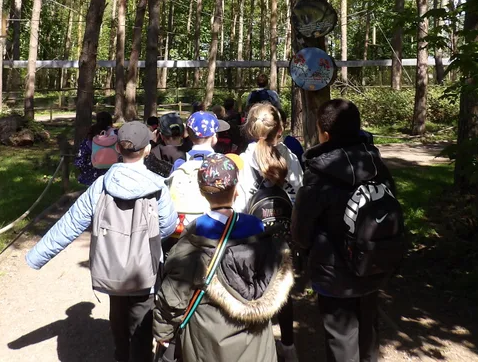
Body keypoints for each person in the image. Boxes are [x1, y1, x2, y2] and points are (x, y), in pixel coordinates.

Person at [26, 122, 178, 362]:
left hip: (110, 268)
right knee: (142, 321)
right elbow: (168, 225)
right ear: (148, 149)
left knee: (117, 314)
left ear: (118, 147)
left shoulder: (101, 185)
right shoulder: (158, 186)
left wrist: (37, 256)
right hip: (145, 271)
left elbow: (71, 223)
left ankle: (121, 354)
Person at [154, 153, 294, 362]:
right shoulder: (260, 233)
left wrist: (162, 332)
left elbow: (173, 296)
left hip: (208, 344)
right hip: (257, 346)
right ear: (236, 190)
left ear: (202, 191)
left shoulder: (194, 239)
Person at [291, 99, 396, 362]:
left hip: (333, 271)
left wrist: (303, 253)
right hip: (375, 260)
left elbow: (301, 230)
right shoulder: (376, 165)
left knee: (340, 337)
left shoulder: (317, 174)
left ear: (324, 134)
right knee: (369, 330)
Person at [235, 103, 303, 362]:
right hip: (284, 235)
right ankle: (288, 346)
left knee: (255, 292)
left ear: (250, 129)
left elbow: (239, 206)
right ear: (281, 128)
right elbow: (300, 194)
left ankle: (259, 348)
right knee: (283, 291)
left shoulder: (243, 161)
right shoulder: (290, 157)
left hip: (253, 238)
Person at [165, 112, 232, 245]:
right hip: (214, 229)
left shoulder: (180, 163)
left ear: (189, 135)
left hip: (183, 230)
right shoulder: (222, 163)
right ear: (214, 137)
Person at [73, 111, 116, 186]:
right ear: (110, 121)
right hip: (113, 176)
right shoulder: (117, 134)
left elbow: (80, 160)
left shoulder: (91, 134)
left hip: (91, 178)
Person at [146, 113, 191, 177]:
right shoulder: (192, 150)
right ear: (183, 133)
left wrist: (152, 142)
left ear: (161, 136)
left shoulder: (153, 154)